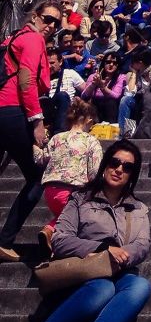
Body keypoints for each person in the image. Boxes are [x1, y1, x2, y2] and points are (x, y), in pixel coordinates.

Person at [6, 141, 151, 322]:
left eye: (127, 167)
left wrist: (123, 256)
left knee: (141, 285)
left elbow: (142, 245)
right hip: (86, 271)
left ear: (133, 174)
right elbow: (61, 238)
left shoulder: (138, 208)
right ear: (104, 165)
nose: (119, 170)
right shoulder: (80, 199)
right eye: (114, 162)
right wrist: (103, 249)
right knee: (102, 288)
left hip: (120, 271)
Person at [0, 0, 60, 262]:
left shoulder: (13, 38)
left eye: (56, 23)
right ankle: (4, 240)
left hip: (2, 109)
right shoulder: (33, 40)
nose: (51, 26)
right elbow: (26, 81)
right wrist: (37, 121)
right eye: (47, 18)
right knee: (39, 178)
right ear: (35, 16)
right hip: (14, 111)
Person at [37, 97, 102, 252]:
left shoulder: (57, 138)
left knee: (66, 217)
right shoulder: (91, 141)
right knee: (82, 218)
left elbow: (42, 159)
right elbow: (94, 172)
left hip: (50, 190)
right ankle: (53, 236)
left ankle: (50, 235)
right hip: (72, 191)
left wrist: (35, 147)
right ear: (89, 120)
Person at [80, 53, 125, 123]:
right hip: (94, 106)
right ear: (103, 63)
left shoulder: (121, 77)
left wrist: (102, 87)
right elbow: (84, 95)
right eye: (108, 62)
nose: (111, 65)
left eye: (115, 63)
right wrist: (93, 84)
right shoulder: (93, 76)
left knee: (111, 102)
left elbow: (116, 96)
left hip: (110, 108)